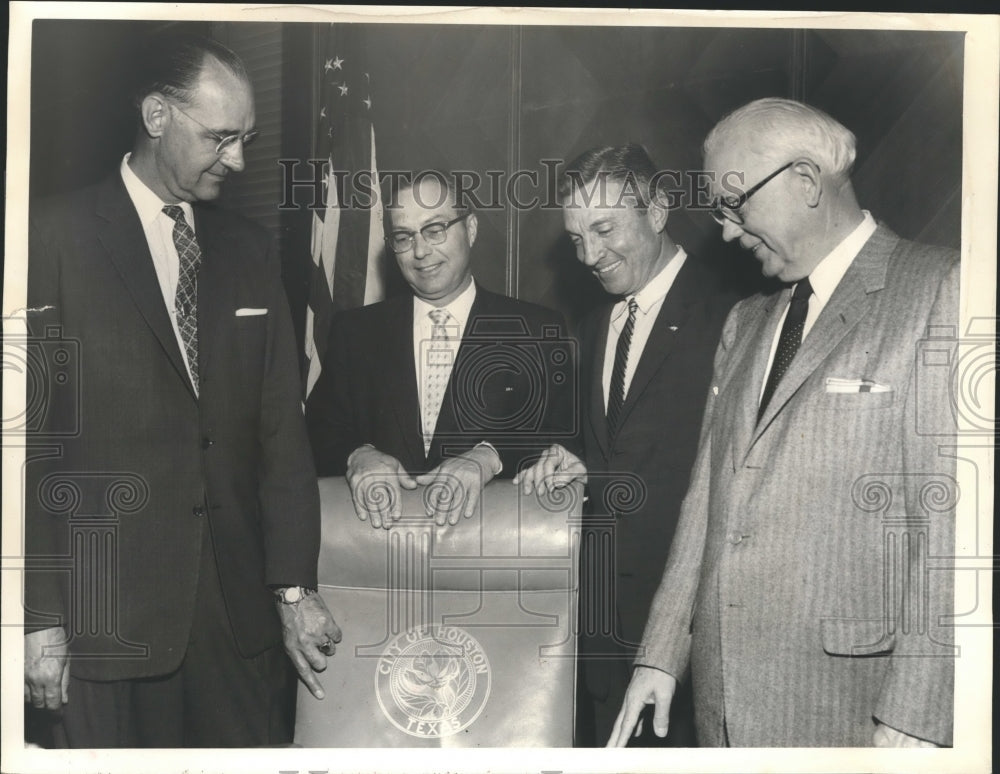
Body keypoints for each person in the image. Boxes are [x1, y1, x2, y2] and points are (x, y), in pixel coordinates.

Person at [23, 34, 341, 747]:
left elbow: (279, 436)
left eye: (247, 138)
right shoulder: (50, 239)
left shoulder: (251, 250)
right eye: (220, 137)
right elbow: (27, 446)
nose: (238, 159)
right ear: (158, 114)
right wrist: (38, 617)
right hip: (103, 621)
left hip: (236, 620)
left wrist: (293, 588)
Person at [609, 98, 957, 748]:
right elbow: (706, 505)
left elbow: (953, 526)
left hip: (850, 707)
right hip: (722, 702)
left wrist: (918, 713)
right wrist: (660, 653)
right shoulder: (747, 322)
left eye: (736, 203)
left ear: (805, 181)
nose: (728, 229)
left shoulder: (940, 288)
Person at [514, 144, 739, 746]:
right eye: (576, 237)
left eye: (605, 228)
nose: (589, 254)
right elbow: (609, 453)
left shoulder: (733, 311)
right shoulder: (593, 325)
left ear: (658, 210)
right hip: (600, 628)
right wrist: (575, 463)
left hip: (685, 632)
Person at [306, 171, 573, 529]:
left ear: (471, 229)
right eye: (403, 237)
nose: (419, 252)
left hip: (491, 552)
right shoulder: (355, 332)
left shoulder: (539, 329)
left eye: (434, 230)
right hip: (376, 549)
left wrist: (489, 456)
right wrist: (357, 455)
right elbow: (318, 430)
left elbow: (566, 438)